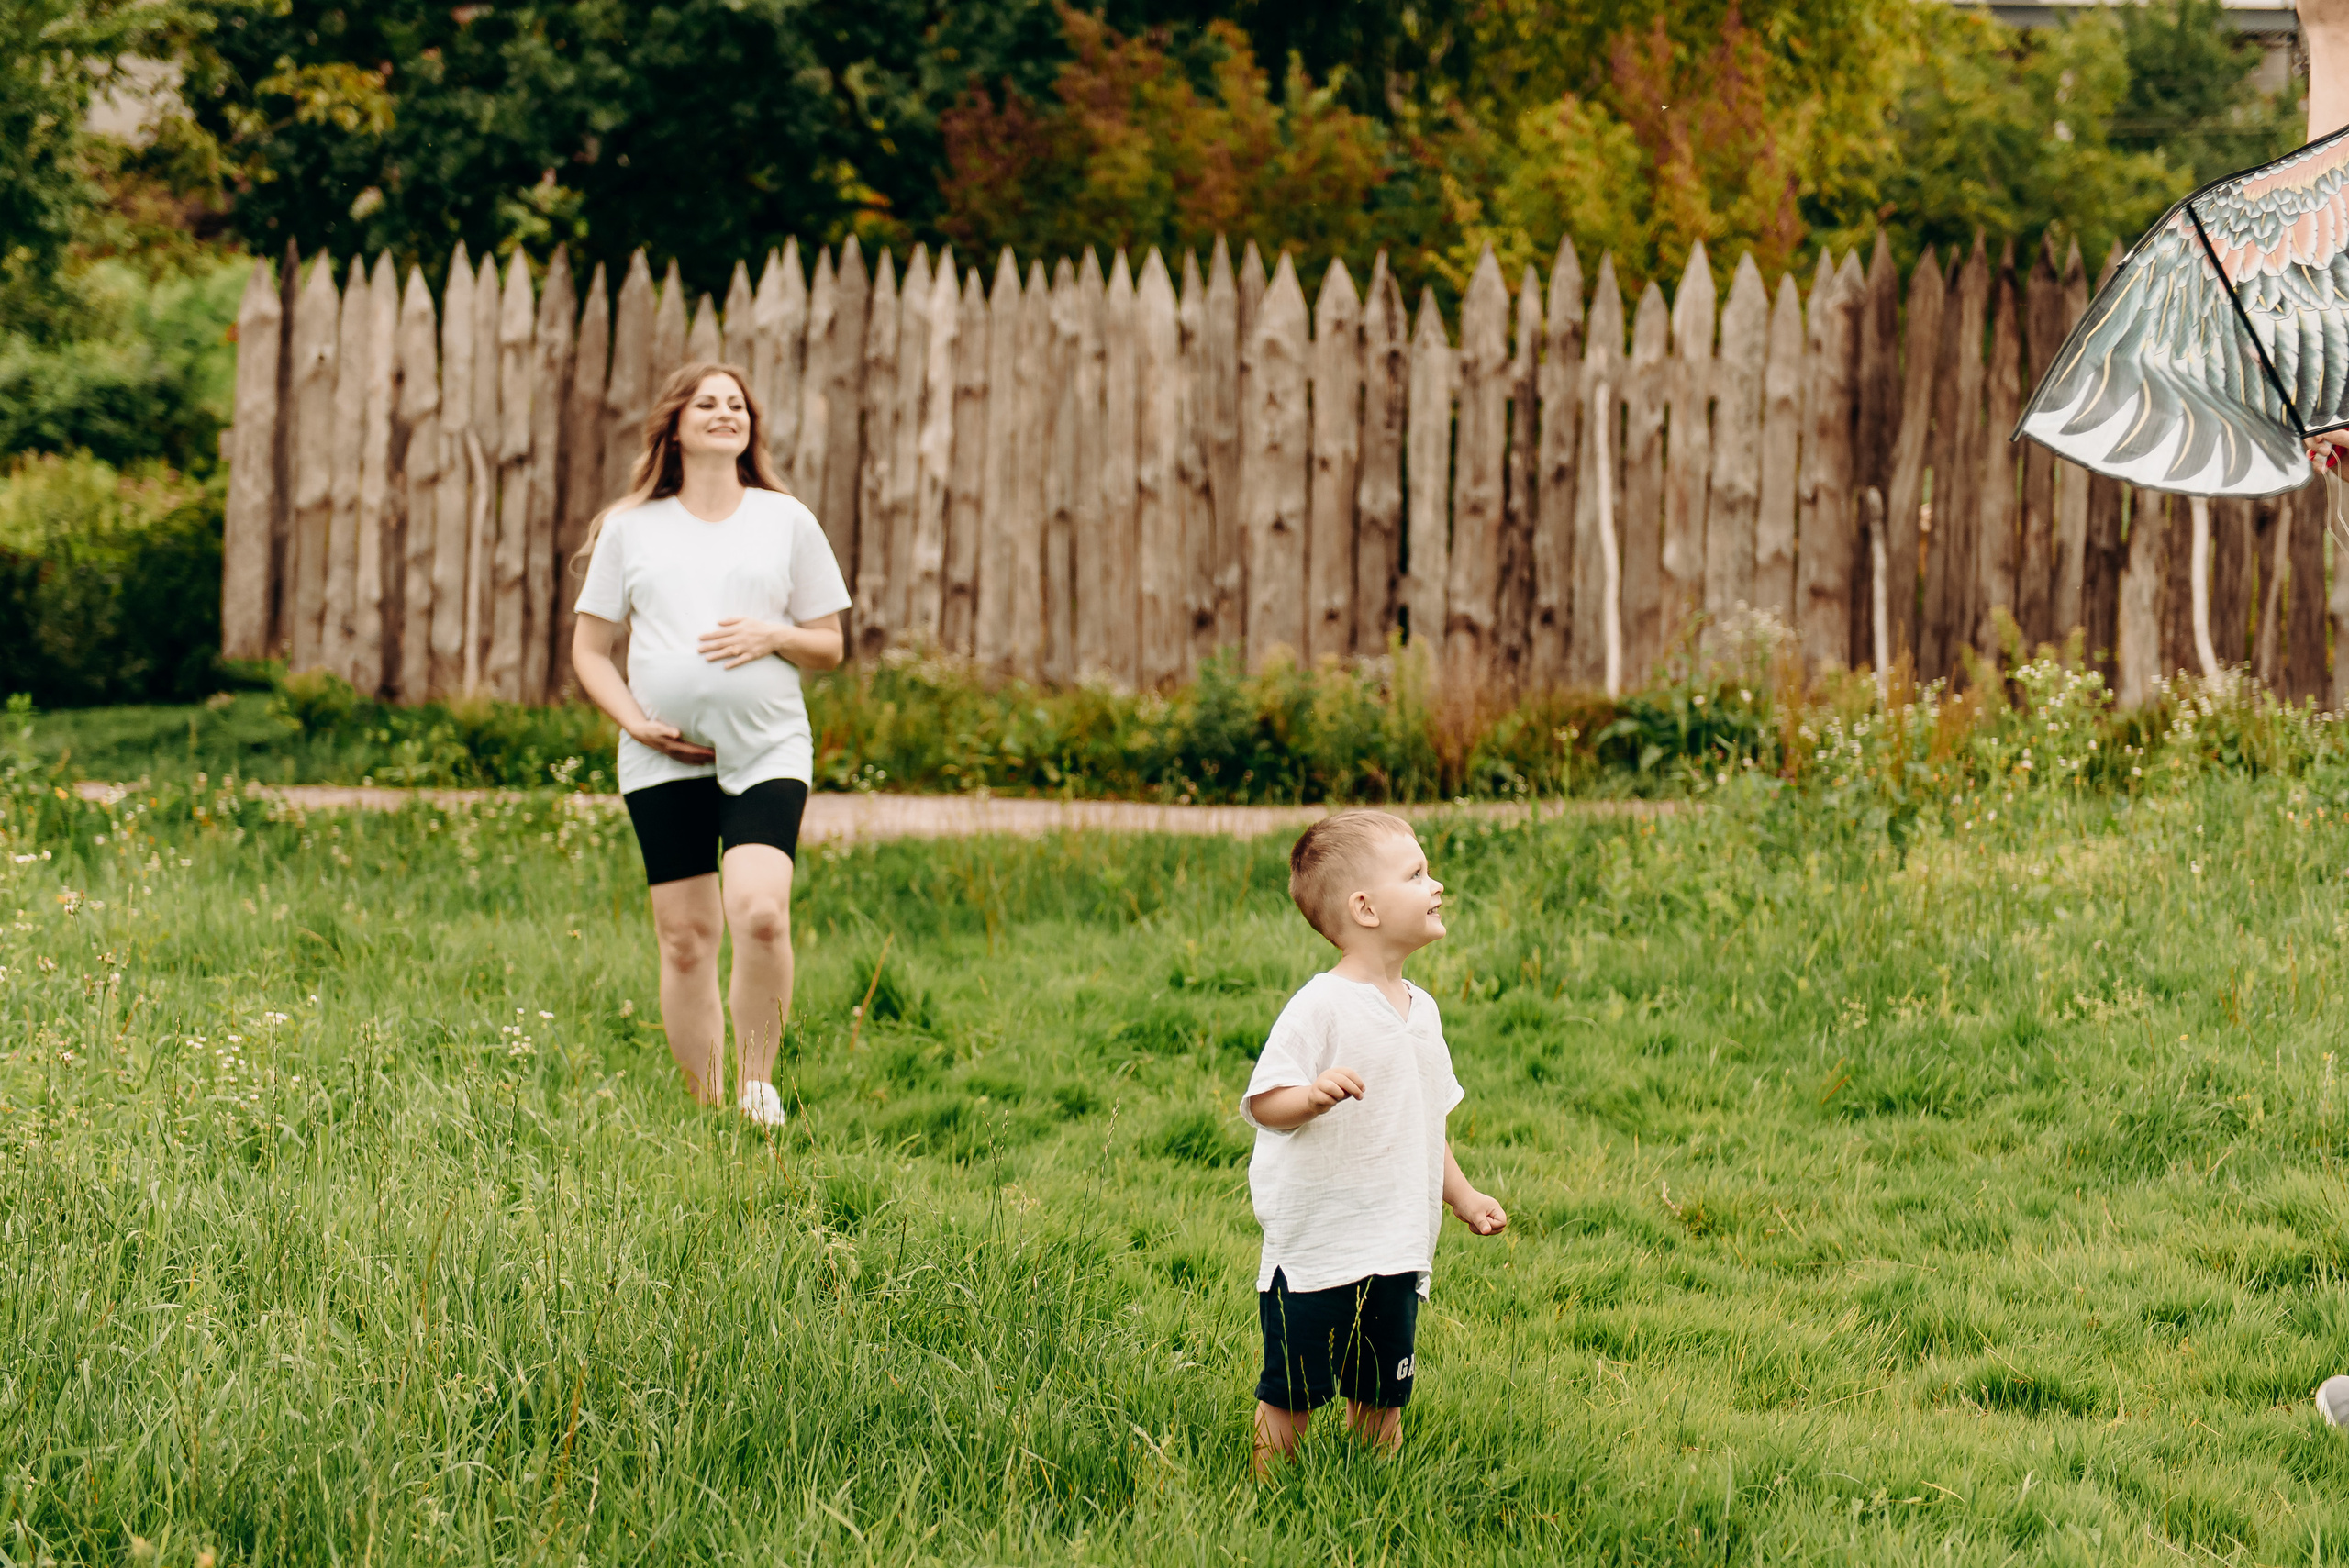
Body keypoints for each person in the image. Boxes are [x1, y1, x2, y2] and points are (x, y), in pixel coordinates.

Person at [571, 361, 848, 1128]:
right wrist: (633, 720)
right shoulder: (631, 527)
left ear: (749, 427)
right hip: (663, 757)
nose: (725, 412)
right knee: (687, 938)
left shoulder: (785, 519)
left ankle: (758, 1086)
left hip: (767, 748)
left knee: (761, 913)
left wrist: (774, 633)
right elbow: (590, 651)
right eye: (707, 403)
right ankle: (708, 1103)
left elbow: (829, 646)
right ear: (676, 425)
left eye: (737, 404)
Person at [1240, 809, 1508, 1479]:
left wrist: (1464, 1194)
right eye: (1416, 873)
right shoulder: (1321, 1005)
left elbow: (1427, 1120)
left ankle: (1372, 1485)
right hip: (1318, 1248)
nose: (1435, 883)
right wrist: (1313, 1094)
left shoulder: (1423, 1009)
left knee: (1383, 1389)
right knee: (1293, 1390)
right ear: (1364, 906)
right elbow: (1266, 1101)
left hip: (1396, 1242)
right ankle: (1265, 1487)